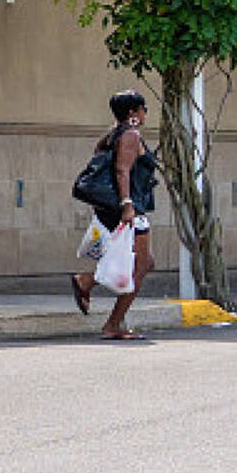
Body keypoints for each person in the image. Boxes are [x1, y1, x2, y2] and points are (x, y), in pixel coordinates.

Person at [71, 89, 156, 338]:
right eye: (143, 108)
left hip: (117, 208)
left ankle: (87, 282)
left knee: (144, 262)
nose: (145, 113)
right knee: (141, 266)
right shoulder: (130, 135)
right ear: (132, 112)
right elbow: (122, 170)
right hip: (128, 209)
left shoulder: (111, 135)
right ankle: (113, 324)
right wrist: (127, 205)